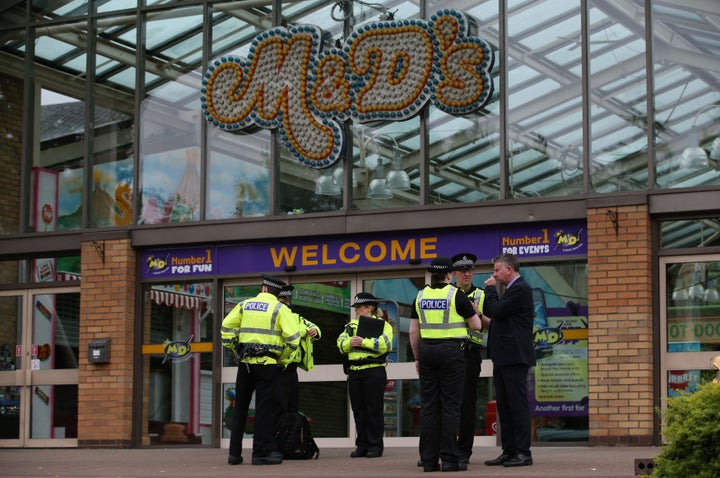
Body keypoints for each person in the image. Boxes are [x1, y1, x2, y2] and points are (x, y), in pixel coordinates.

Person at [410, 257, 482, 472]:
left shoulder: (420, 295)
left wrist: (417, 358)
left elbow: (413, 332)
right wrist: (474, 311)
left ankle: (429, 460)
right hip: (451, 353)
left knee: (430, 407)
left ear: (432, 274)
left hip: (427, 353)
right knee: (450, 406)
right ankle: (450, 460)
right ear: (450, 274)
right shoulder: (455, 294)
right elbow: (477, 326)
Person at [221, 274, 302, 466]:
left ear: (264, 289)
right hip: (267, 364)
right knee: (264, 410)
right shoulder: (280, 309)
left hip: (245, 364)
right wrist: (282, 357)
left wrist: (234, 348)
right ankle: (260, 454)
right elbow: (293, 339)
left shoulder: (245, 304)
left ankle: (234, 454)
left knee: (240, 407)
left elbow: (226, 328)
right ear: (276, 292)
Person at [482, 253, 535, 468]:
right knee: (504, 406)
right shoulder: (510, 291)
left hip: (515, 356)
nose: (494, 275)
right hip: (503, 356)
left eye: (496, 270)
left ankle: (523, 452)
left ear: (509, 269)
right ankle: (509, 450)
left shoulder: (520, 288)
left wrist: (489, 290)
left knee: (517, 405)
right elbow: (495, 315)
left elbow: (496, 311)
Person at [337, 292, 393, 459]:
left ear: (370, 308)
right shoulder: (351, 326)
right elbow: (340, 344)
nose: (357, 310)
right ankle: (362, 445)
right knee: (358, 410)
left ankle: (375, 446)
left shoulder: (383, 325)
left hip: (373, 370)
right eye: (356, 308)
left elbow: (385, 345)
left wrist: (363, 342)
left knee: (373, 409)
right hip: (355, 372)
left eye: (359, 307)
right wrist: (349, 343)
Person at [450, 253, 486, 468]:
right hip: (448, 352)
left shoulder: (482, 295)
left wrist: (478, 315)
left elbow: (493, 324)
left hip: (470, 353)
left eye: (470, 270)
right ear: (453, 273)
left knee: (466, 405)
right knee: (446, 404)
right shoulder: (448, 294)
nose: (467, 274)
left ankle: (463, 451)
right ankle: (444, 448)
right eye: (462, 270)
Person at [278, 284, 321, 413]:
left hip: (292, 366)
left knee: (292, 404)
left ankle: (290, 431)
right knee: (279, 403)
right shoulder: (275, 316)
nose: (286, 304)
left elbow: (314, 327)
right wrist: (304, 331)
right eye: (282, 301)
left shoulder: (296, 317)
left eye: (287, 301)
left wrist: (315, 331)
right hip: (278, 364)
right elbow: (292, 333)